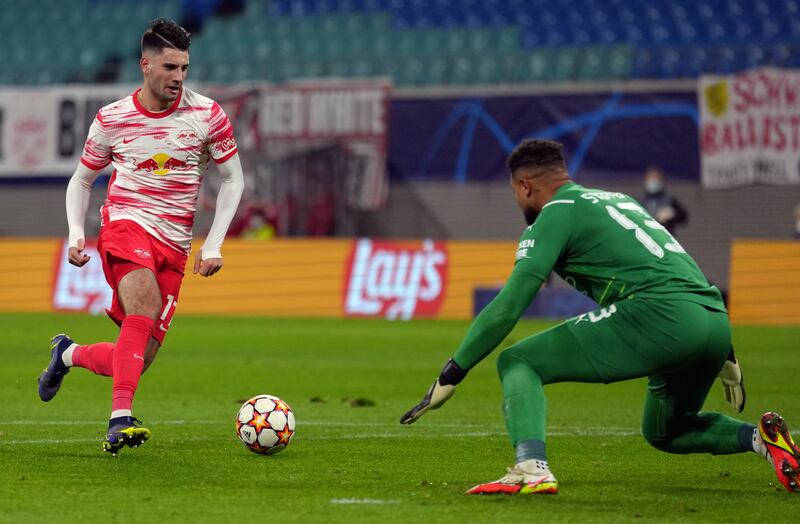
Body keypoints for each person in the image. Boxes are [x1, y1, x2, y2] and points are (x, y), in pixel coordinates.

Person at [400, 139, 799, 495]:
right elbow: (678, 268)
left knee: (517, 360)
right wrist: (725, 353)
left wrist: (453, 372)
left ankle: (531, 469)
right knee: (665, 430)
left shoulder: (553, 214)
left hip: (659, 316)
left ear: (525, 186)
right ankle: (761, 440)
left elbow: (508, 306)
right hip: (712, 318)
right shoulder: (621, 201)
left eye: (515, 194)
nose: (518, 203)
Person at [37, 18, 244, 455]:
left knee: (136, 358)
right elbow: (81, 180)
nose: (179, 77)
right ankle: (119, 419)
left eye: (184, 68)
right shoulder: (112, 118)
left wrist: (214, 243)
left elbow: (233, 180)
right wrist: (76, 233)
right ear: (145, 65)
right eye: (170, 67)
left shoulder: (207, 115)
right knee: (144, 305)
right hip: (125, 226)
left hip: (174, 243)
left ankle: (68, 354)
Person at [642, 167, 688, 236]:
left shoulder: (669, 199)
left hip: (665, 238)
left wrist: (672, 213)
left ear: (661, 180)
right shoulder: (641, 201)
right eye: (650, 178)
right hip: (647, 238)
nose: (653, 181)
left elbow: (683, 217)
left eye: (656, 178)